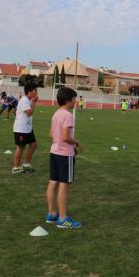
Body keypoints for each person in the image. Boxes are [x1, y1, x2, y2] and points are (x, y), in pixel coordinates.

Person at [45, 87, 83, 228]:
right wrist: (76, 143)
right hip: (64, 155)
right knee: (64, 186)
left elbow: (51, 135)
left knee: (53, 182)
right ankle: (62, 219)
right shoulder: (68, 115)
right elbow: (66, 137)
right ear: (68, 100)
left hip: (54, 152)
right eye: (74, 99)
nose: (76, 101)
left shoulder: (56, 114)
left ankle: (52, 214)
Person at [12, 82, 39, 174]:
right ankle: (15, 168)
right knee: (21, 147)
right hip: (21, 129)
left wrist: (32, 102)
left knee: (34, 144)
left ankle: (26, 164)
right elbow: (29, 113)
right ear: (29, 91)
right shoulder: (24, 100)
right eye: (35, 90)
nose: (37, 92)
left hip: (27, 128)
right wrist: (34, 103)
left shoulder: (27, 100)